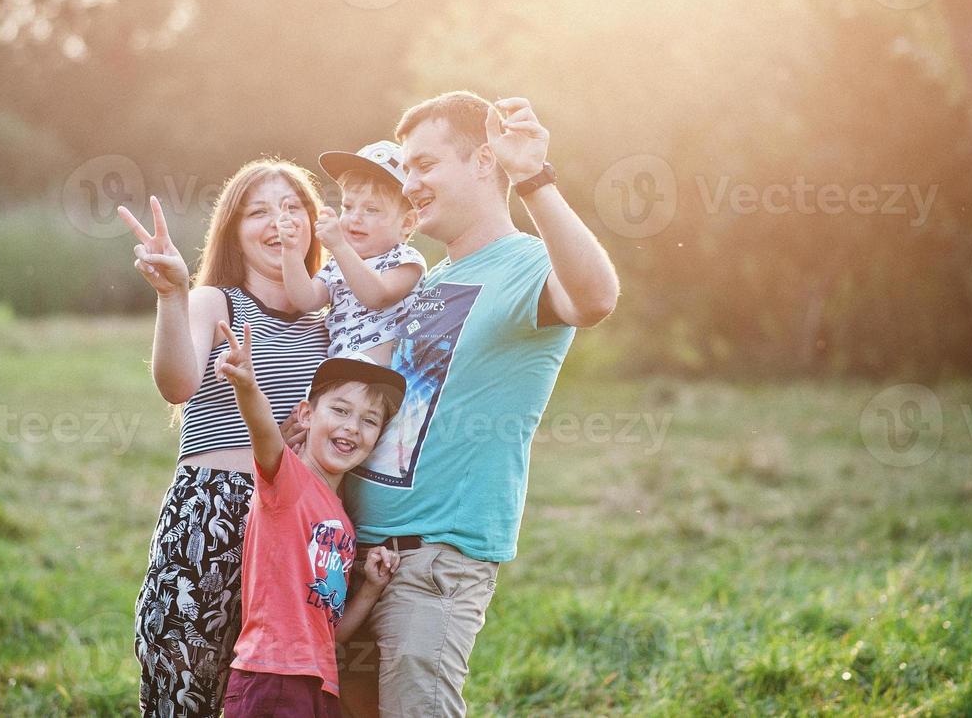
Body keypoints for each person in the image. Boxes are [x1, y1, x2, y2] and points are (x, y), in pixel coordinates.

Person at [338, 92, 620, 717]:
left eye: (425, 165)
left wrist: (536, 180)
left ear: (484, 161)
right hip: (358, 559)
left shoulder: (524, 267)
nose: (409, 184)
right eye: (406, 169)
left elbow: (596, 298)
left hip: (432, 565)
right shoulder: (429, 280)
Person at [121, 159, 331, 718]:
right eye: (259, 211)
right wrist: (172, 295)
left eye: (293, 208)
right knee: (186, 688)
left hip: (297, 531)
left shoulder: (331, 320)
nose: (280, 222)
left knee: (279, 701)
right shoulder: (217, 302)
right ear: (235, 231)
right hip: (212, 515)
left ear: (313, 224)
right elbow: (177, 383)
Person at [214, 321, 406, 718]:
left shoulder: (343, 524)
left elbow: (327, 633)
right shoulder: (287, 480)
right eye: (340, 410)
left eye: (370, 420)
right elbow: (263, 431)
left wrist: (370, 589)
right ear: (305, 415)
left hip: (320, 682)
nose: (352, 427)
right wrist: (247, 387)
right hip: (270, 676)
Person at [277, 140, 425, 365]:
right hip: (341, 372)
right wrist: (290, 251)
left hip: (386, 377)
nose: (355, 217)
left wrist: (339, 246)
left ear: (407, 223)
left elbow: (377, 296)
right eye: (347, 206)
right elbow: (305, 300)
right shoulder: (336, 265)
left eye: (372, 209)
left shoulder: (405, 260)